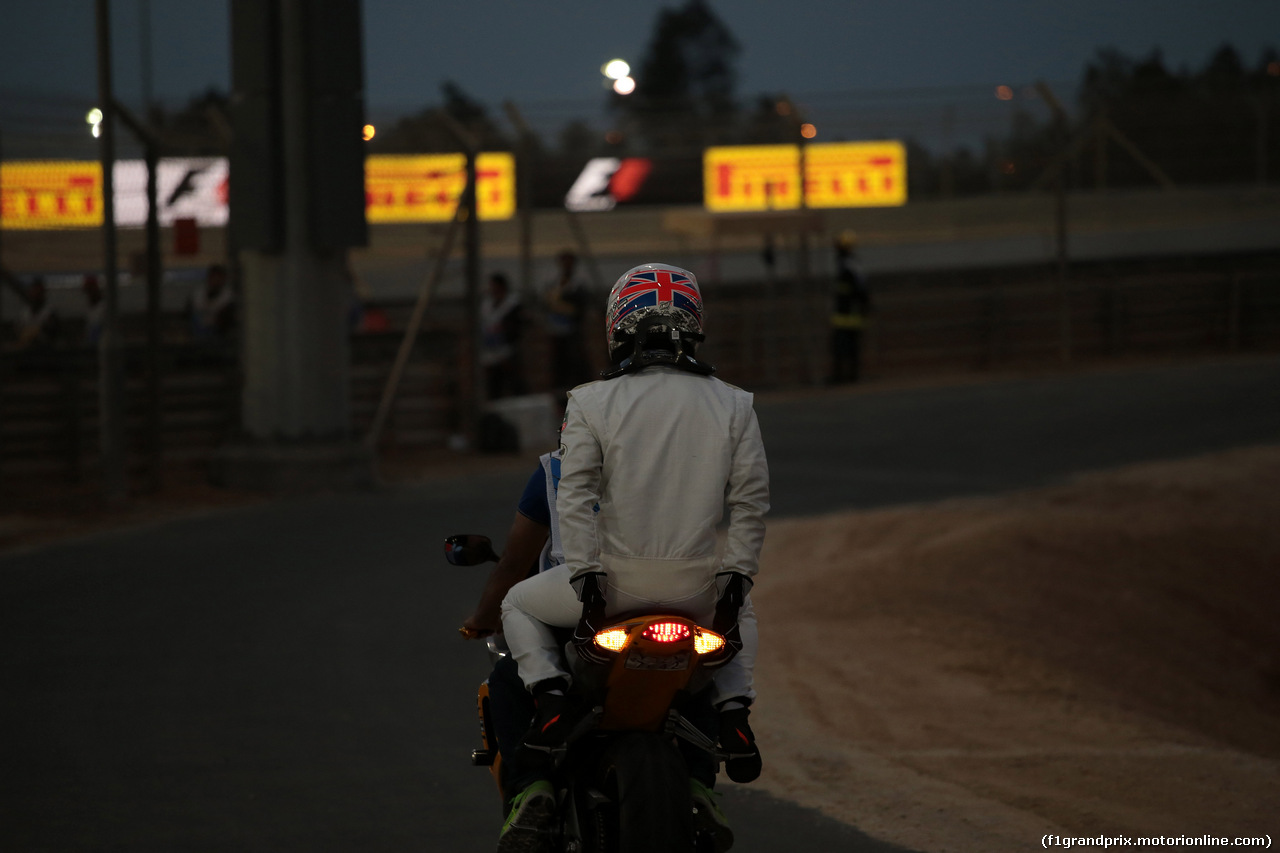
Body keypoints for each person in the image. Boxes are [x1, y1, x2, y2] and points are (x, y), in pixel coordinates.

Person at [497, 262, 769, 852]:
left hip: (609, 592)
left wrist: (590, 585)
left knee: (517, 605)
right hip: (695, 592)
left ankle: (547, 701)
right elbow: (750, 505)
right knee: (740, 611)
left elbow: (575, 497)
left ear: (617, 325)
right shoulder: (735, 404)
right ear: (694, 323)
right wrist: (735, 583)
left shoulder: (590, 401)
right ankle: (734, 714)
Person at [543, 250, 590, 394]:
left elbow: (579, 308)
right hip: (556, 330)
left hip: (572, 331)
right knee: (558, 362)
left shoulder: (578, 285)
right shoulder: (554, 283)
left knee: (575, 360)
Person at [829, 231, 871, 384]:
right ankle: (842, 375)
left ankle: (849, 376)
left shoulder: (850, 264)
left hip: (850, 314)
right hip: (843, 314)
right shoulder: (844, 263)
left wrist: (865, 305)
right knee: (840, 347)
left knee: (848, 346)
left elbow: (861, 287)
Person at [480, 272, 526, 400]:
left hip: (508, 351)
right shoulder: (486, 305)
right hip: (490, 352)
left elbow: (516, 328)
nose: (492, 289)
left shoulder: (512, 305)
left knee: (514, 383)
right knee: (494, 386)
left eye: (494, 286)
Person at [189, 263, 235, 340]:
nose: (216, 280)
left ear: (224, 279)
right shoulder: (198, 293)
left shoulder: (229, 297)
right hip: (198, 333)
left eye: (219, 277)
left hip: (218, 335)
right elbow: (191, 311)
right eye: (213, 277)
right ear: (209, 277)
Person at [16, 276, 61, 349]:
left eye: (38, 293)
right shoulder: (25, 312)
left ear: (43, 294)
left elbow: (52, 333)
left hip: (45, 350)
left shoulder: (50, 312)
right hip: (25, 350)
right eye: (33, 292)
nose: (35, 295)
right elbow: (19, 330)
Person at [82, 274, 105, 346]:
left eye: (90, 290)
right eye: (87, 292)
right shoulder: (88, 308)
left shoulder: (104, 307)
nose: (89, 294)